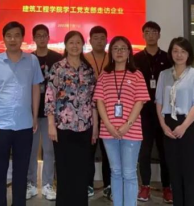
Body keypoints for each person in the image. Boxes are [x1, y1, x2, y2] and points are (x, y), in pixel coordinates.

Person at [0, 21, 43, 206]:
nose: (13, 39)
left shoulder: (32, 61)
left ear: (23, 38)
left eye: (17, 35)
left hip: (24, 124)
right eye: (9, 36)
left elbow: (35, 89)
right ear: (4, 39)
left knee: (21, 171)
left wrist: (34, 116)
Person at [95, 36, 150, 206]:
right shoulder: (104, 75)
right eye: (115, 48)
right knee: (116, 172)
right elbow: (99, 101)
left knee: (129, 173)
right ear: (111, 52)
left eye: (123, 48)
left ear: (129, 52)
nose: (119, 52)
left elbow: (140, 101)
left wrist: (127, 125)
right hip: (108, 131)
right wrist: (109, 125)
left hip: (131, 131)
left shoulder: (137, 74)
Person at [45, 31, 98, 206]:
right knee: (64, 168)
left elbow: (93, 100)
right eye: (71, 42)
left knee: (82, 170)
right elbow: (50, 96)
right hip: (63, 126)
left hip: (85, 126)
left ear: (83, 45)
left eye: (78, 42)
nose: (75, 46)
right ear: (66, 45)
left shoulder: (87, 69)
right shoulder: (57, 67)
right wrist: (51, 124)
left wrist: (95, 127)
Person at [156, 37, 194, 206]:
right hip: (168, 124)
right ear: (170, 53)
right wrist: (163, 126)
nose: (179, 55)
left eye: (183, 51)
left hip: (189, 124)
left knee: (190, 173)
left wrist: (184, 126)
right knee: (174, 173)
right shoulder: (164, 75)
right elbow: (159, 102)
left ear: (189, 54)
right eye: (175, 51)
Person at [133, 21, 172, 203]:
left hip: (164, 111)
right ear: (143, 35)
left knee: (165, 151)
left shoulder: (168, 57)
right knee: (144, 152)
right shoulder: (136, 59)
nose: (150, 35)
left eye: (154, 32)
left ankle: (167, 187)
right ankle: (145, 186)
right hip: (143, 112)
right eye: (147, 32)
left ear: (159, 35)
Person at [27, 24, 63, 201]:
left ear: (49, 38)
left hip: (51, 113)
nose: (41, 38)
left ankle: (48, 184)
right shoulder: (28, 58)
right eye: (38, 35)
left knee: (49, 150)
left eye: (44, 35)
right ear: (34, 38)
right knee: (31, 150)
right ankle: (31, 184)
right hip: (30, 112)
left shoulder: (57, 58)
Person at [84, 25, 112, 199]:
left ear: (107, 40)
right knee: (89, 150)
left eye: (102, 38)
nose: (99, 41)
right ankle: (88, 183)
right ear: (90, 40)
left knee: (108, 150)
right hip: (88, 111)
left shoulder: (112, 58)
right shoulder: (84, 58)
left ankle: (109, 184)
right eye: (96, 38)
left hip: (109, 110)